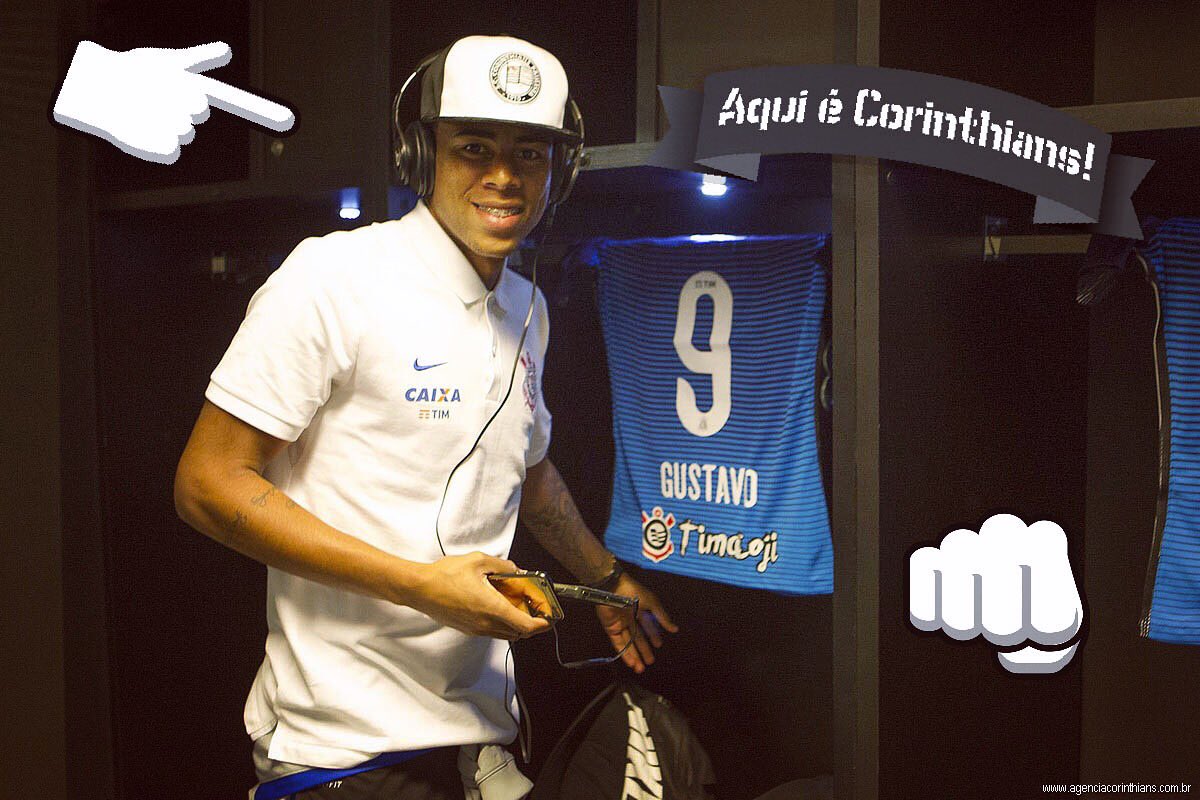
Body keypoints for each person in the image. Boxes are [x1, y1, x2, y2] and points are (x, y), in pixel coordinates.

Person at [173, 35, 677, 800]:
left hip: (479, 746)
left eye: (531, 153)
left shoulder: (528, 308)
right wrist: (420, 586)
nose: (504, 177)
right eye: (474, 147)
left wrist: (606, 580)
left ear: (559, 171)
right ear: (422, 155)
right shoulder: (333, 278)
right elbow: (207, 484)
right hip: (343, 751)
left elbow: (526, 470)